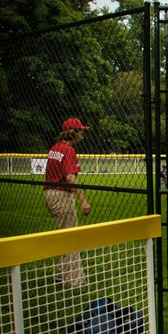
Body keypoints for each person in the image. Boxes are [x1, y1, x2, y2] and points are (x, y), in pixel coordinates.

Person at [44, 118, 92, 288]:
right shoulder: (68, 150)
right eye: (80, 131)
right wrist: (83, 200)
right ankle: (74, 280)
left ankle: (61, 273)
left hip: (49, 193)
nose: (82, 134)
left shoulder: (54, 148)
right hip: (61, 195)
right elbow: (70, 176)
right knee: (72, 236)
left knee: (64, 234)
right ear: (74, 133)